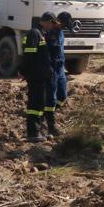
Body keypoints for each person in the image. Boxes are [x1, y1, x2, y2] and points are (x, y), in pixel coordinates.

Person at [21, 12, 56, 143]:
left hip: (41, 76)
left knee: (40, 103)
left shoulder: (42, 34)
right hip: (36, 76)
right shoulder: (34, 33)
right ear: (45, 21)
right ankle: (33, 133)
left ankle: (38, 131)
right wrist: (23, 71)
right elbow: (28, 55)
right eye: (52, 23)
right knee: (35, 104)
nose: (52, 26)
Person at [49, 11, 70, 123]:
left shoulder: (61, 33)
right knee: (51, 96)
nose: (63, 27)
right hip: (52, 68)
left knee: (62, 96)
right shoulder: (50, 33)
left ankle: (52, 112)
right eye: (62, 25)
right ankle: (49, 120)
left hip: (60, 68)